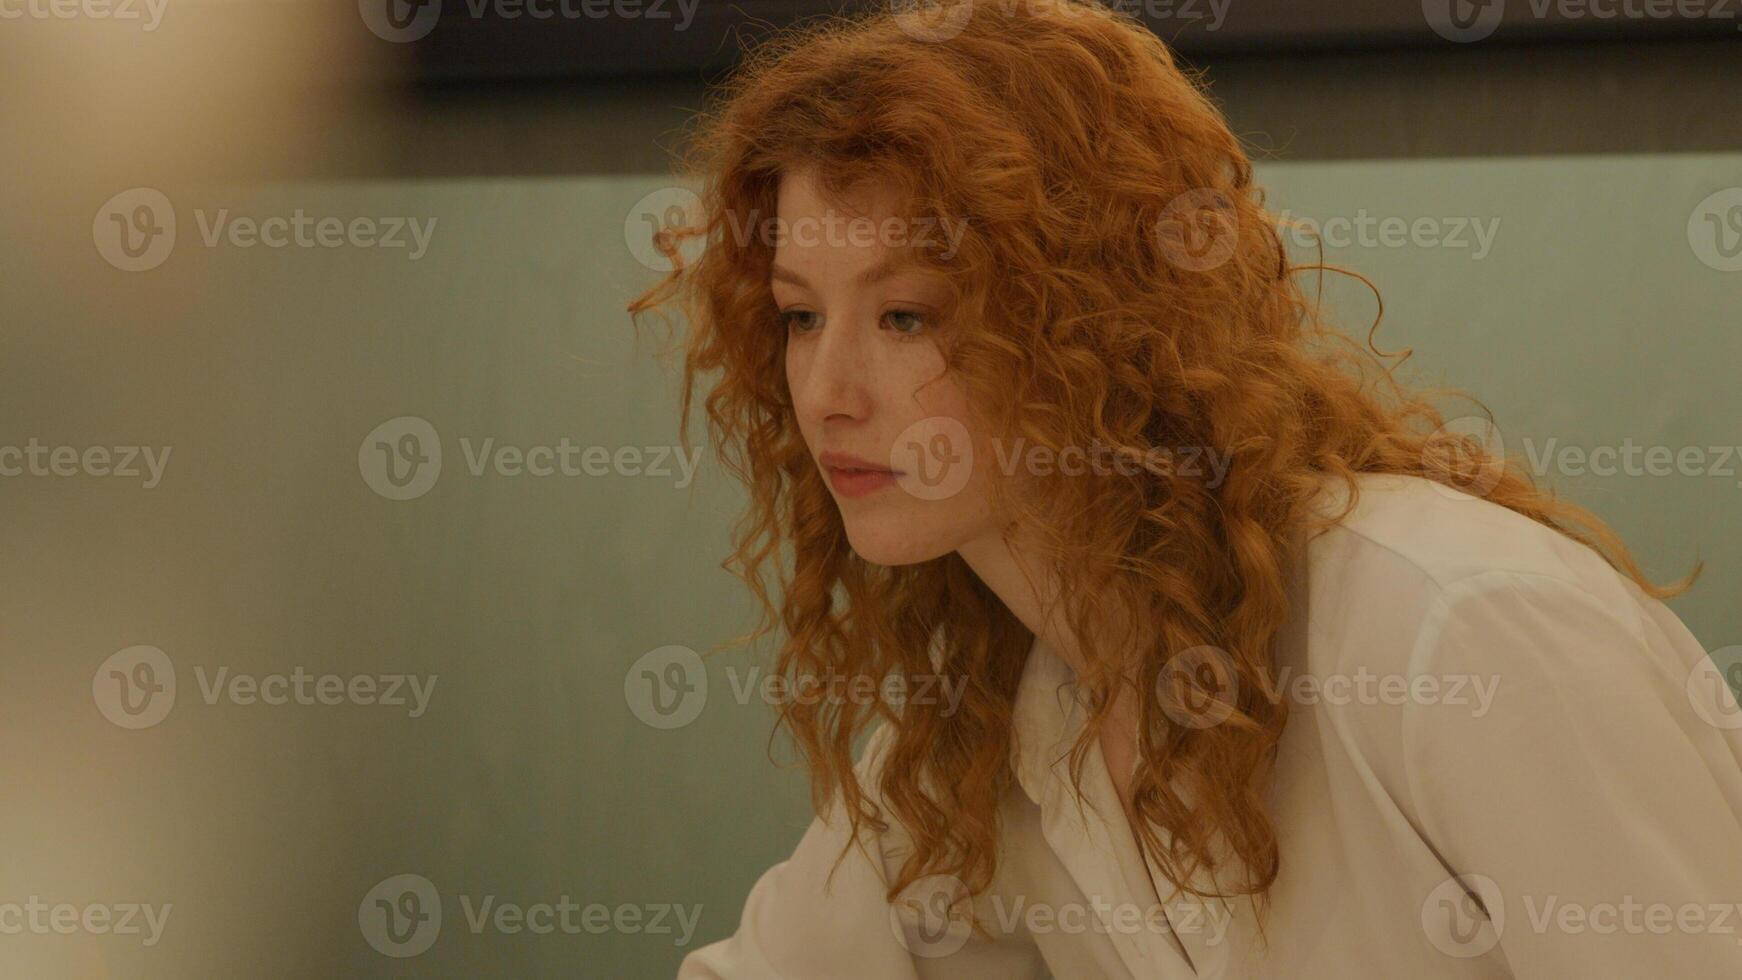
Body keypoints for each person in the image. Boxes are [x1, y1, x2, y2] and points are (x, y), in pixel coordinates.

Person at [628, 1, 1742, 976]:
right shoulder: (994, 703)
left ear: (1097, 321)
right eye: (798, 315)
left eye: (905, 314)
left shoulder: (1456, 628)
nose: (824, 392)